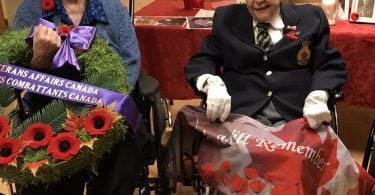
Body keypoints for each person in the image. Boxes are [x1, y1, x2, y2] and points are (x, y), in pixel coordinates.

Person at [13, 0, 145, 194]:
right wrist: (38, 62)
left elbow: (130, 61)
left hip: (107, 110)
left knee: (122, 157)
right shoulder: (30, 10)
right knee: (44, 173)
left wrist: (108, 104)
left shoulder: (113, 9)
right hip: (50, 113)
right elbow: (16, 71)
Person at [184, 0, 347, 129]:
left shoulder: (311, 17)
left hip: (296, 117)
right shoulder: (225, 18)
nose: (258, 1)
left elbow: (329, 62)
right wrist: (210, 83)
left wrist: (319, 94)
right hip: (240, 116)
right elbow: (203, 60)